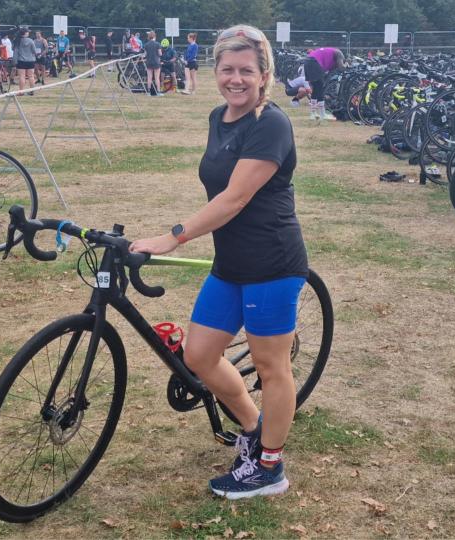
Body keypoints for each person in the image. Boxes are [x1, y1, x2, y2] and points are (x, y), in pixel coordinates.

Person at [130, 24, 306, 500]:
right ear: (215, 71)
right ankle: (253, 428)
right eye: (226, 69)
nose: (236, 79)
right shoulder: (218, 117)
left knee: (272, 367)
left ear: (264, 73)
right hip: (230, 261)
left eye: (246, 70)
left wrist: (172, 237)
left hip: (272, 261)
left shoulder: (271, 123)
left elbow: (234, 198)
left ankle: (270, 468)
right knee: (200, 356)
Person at [303, 46, 345, 120]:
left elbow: (330, 72)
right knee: (320, 88)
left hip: (308, 61)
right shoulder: (339, 54)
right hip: (314, 62)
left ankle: (313, 113)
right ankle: (322, 114)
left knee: (316, 89)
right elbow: (341, 67)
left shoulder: (332, 56)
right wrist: (346, 66)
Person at [13, 27, 35, 94]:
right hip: (31, 61)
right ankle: (32, 91)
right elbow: (34, 51)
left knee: (22, 77)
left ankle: (21, 91)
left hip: (21, 61)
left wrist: (14, 62)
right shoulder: (31, 41)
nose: (28, 33)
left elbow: (15, 52)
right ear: (25, 33)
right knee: (31, 76)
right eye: (28, 32)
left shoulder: (17, 41)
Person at [143, 31, 161, 95]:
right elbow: (160, 54)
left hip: (149, 62)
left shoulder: (146, 45)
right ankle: (158, 91)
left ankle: (148, 91)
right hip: (156, 62)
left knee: (149, 77)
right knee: (157, 77)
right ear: (154, 36)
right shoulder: (158, 44)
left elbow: (145, 55)